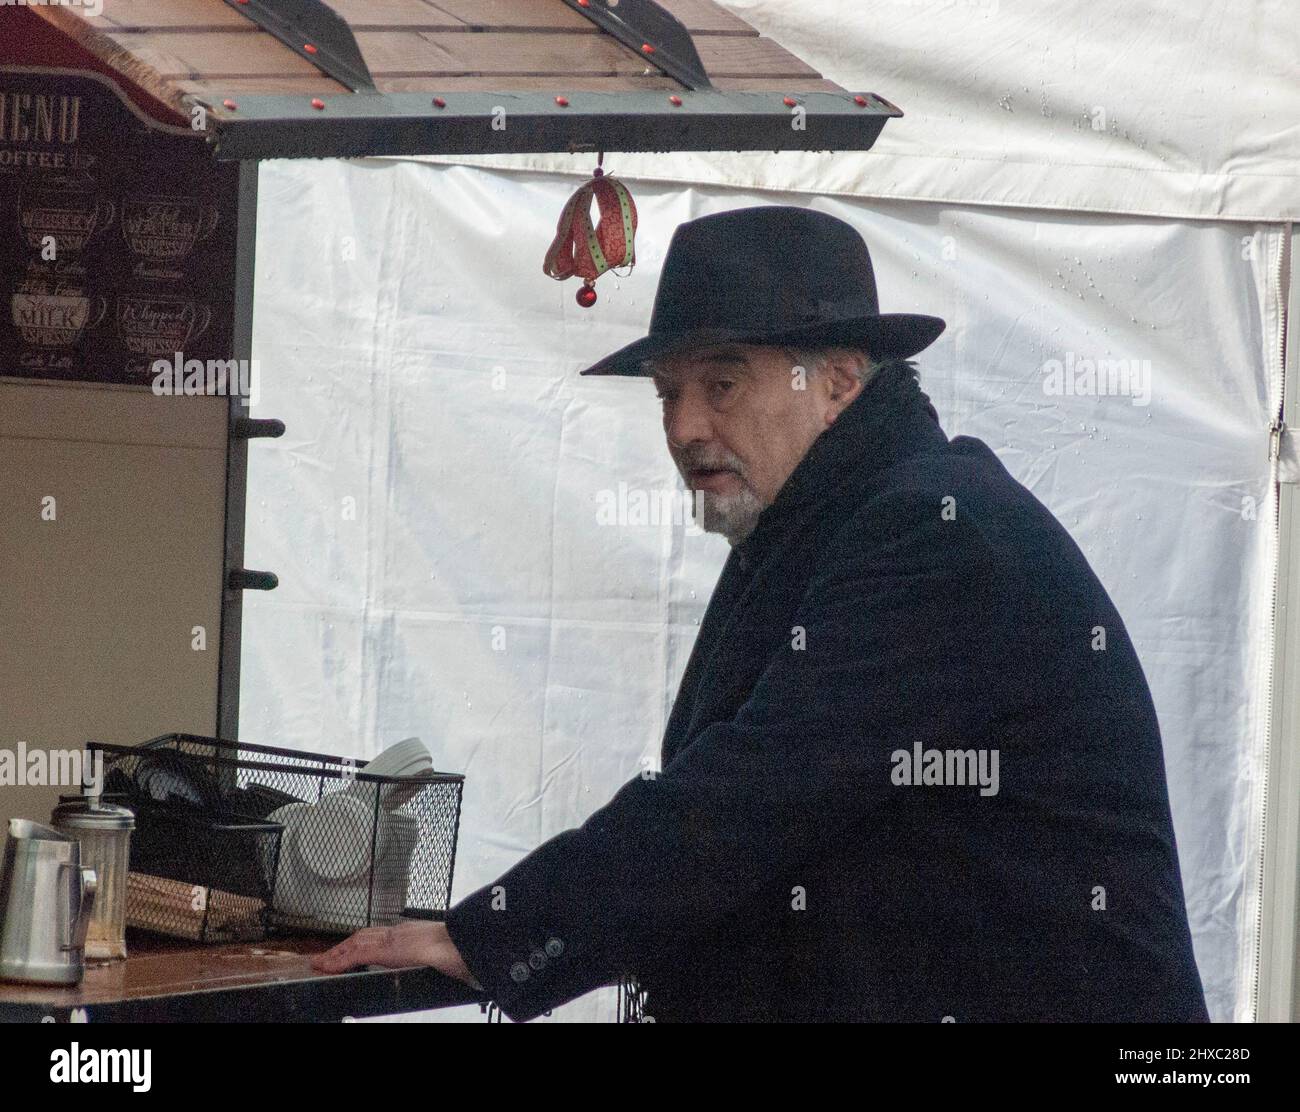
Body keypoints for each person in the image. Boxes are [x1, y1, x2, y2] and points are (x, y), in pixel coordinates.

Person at [314, 205, 1208, 1023]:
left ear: (841, 382)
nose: (683, 428)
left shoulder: (934, 532)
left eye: (724, 384)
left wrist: (495, 935)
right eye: (668, 394)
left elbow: (749, 794)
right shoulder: (827, 525)